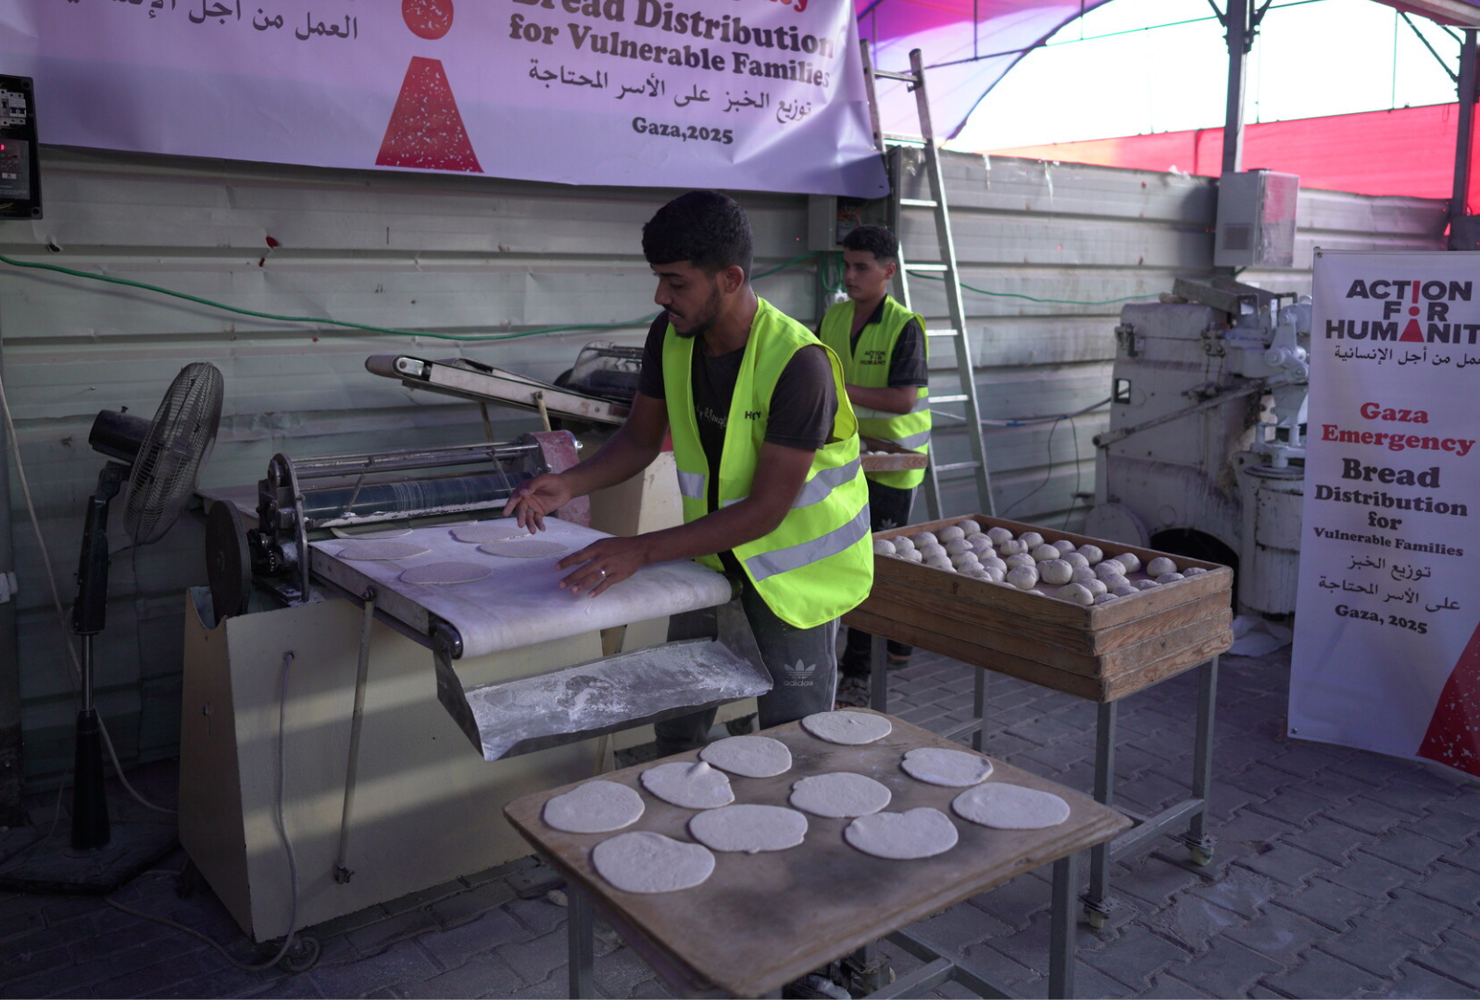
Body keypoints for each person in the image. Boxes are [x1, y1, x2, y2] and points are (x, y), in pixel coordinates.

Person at [505, 190, 874, 754]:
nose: (661, 297)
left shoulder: (800, 365)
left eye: (676, 283)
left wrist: (640, 550)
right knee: (677, 721)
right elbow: (640, 440)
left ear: (730, 278)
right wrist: (570, 483)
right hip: (709, 558)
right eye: (659, 279)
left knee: (793, 738)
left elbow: (765, 511)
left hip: (793, 581)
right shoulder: (670, 336)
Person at [817, 225, 930, 706]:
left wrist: (836, 388)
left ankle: (858, 673)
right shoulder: (834, 317)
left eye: (861, 267)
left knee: (875, 566)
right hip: (847, 458)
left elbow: (904, 400)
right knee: (839, 558)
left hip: (894, 465)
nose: (850, 275)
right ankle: (887, 645)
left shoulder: (905, 325)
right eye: (846, 265)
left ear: (888, 271)